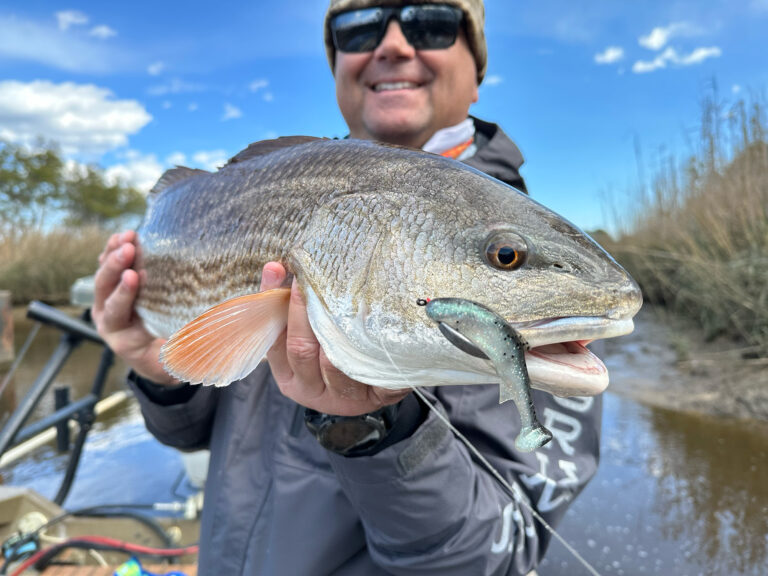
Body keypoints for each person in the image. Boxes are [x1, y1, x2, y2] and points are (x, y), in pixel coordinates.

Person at [93, 1, 601, 574]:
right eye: (357, 28)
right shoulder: (285, 192)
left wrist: (375, 432)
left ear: (477, 70)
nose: (392, 45)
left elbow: (500, 557)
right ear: (337, 67)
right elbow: (199, 433)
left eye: (430, 23)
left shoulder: (551, 302)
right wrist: (159, 369)